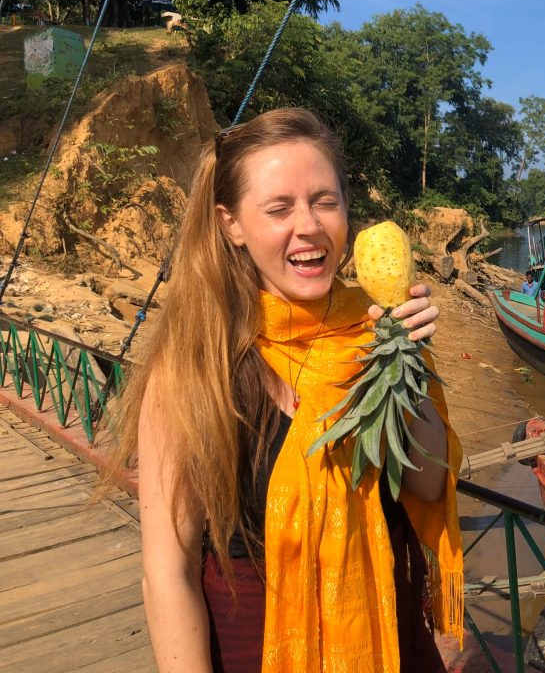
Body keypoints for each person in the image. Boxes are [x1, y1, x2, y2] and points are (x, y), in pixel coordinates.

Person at [113, 108, 463, 673]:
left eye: (325, 200)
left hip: (386, 641)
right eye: (279, 208)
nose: (310, 225)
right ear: (231, 224)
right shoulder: (194, 368)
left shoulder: (371, 334)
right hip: (256, 646)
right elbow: (168, 571)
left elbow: (425, 487)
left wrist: (410, 359)